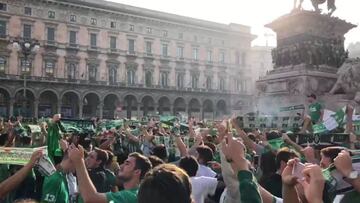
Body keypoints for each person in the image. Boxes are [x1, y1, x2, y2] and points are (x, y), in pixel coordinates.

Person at [68, 144, 152, 203]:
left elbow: (90, 198)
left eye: (127, 163)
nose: (121, 166)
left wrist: (79, 161)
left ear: (137, 171)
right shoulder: (136, 193)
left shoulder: (129, 196)